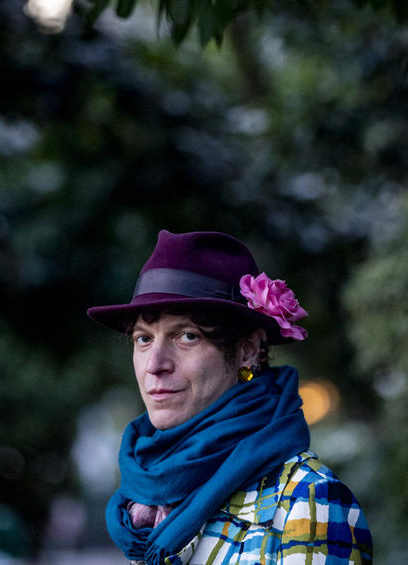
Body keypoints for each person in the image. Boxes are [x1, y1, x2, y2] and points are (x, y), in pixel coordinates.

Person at [88, 230, 373, 564]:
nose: (155, 365)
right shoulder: (143, 502)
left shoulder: (306, 500)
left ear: (247, 350)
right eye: (143, 339)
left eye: (187, 336)